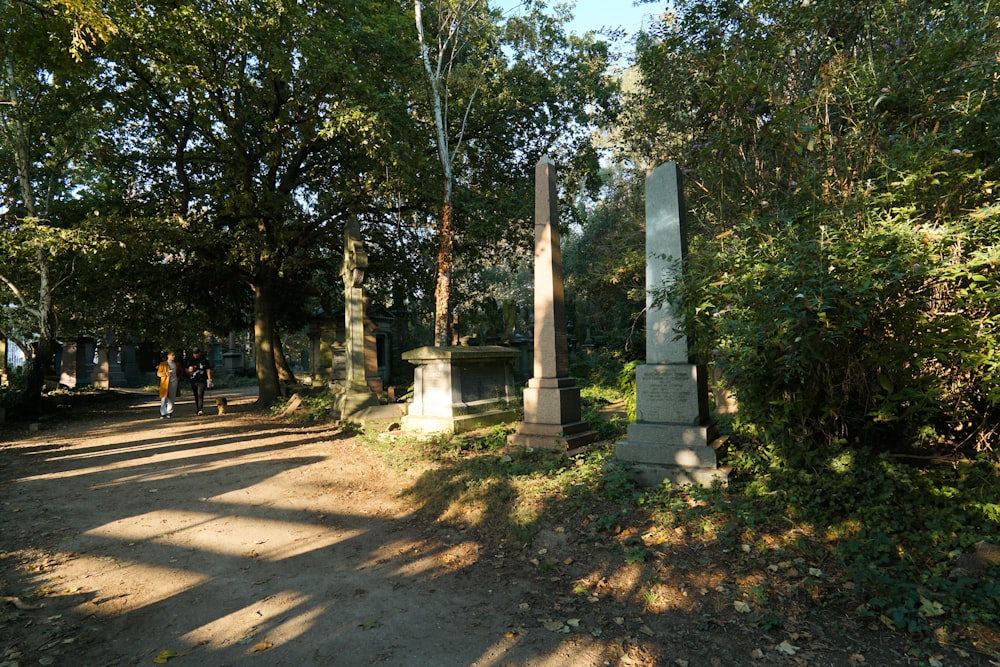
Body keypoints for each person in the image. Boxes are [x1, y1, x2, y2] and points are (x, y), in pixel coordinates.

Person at [186, 347, 213, 415]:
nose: (195, 355)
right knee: (196, 395)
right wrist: (189, 371)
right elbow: (186, 369)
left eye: (196, 353)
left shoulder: (204, 360)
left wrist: (209, 378)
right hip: (193, 380)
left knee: (200, 394)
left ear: (199, 353)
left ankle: (200, 409)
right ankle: (198, 408)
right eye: (194, 353)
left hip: (202, 380)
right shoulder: (190, 361)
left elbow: (208, 369)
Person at [156, 351, 181, 418]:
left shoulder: (176, 364)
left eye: (174, 355)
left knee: (172, 398)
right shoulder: (163, 364)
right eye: (172, 355)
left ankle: (169, 412)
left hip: (174, 382)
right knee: (164, 398)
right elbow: (158, 373)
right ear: (168, 356)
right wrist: (165, 374)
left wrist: (178, 378)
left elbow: (180, 372)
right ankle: (163, 412)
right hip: (165, 383)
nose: (173, 357)